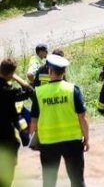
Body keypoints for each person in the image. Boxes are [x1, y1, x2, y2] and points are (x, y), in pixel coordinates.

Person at [29, 54, 90, 187]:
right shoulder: (72, 89)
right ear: (64, 72)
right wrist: (86, 138)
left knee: (49, 182)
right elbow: (82, 117)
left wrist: (33, 140)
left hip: (48, 143)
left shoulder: (39, 92)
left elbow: (34, 121)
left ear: (49, 71)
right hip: (72, 142)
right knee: (77, 180)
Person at [0, 57, 34, 187]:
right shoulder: (9, 92)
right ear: (10, 73)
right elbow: (30, 91)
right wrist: (15, 77)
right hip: (5, 138)